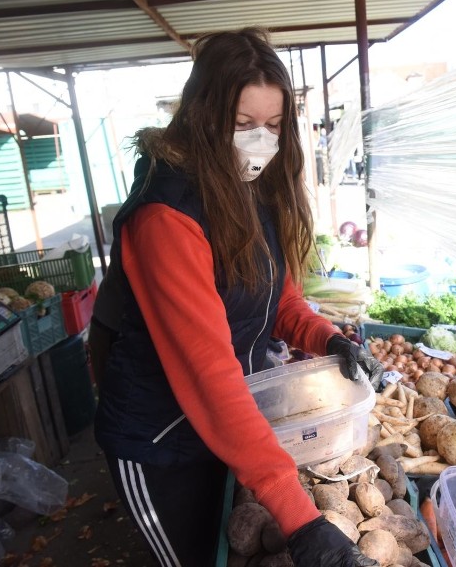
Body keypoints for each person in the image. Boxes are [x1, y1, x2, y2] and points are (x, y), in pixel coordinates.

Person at [89, 28, 383, 567]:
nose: (260, 140)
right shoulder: (167, 215)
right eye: (243, 124)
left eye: (272, 125)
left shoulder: (246, 187)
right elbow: (208, 371)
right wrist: (302, 521)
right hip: (160, 440)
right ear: (204, 117)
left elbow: (279, 295)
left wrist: (329, 339)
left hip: (228, 423)